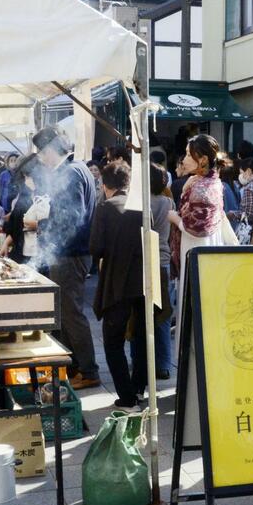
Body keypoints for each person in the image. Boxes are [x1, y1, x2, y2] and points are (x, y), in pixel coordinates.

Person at [33, 125, 98, 390]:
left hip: (71, 254)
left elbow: (73, 216)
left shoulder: (71, 172)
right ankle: (72, 367)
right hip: (73, 253)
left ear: (50, 150)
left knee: (70, 313)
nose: (41, 158)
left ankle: (89, 370)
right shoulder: (77, 167)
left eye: (41, 153)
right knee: (65, 311)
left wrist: (45, 226)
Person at [89, 164, 147, 411]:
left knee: (112, 342)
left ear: (104, 184)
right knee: (143, 338)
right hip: (144, 281)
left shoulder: (104, 208)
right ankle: (139, 389)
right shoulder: (141, 207)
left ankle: (127, 397)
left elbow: (95, 247)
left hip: (117, 283)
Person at [168, 135, 226, 358]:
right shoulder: (209, 182)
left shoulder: (203, 187)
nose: (183, 159)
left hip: (197, 249)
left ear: (201, 159)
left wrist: (175, 218)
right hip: (202, 249)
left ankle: (194, 363)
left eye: (187, 154)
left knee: (196, 305)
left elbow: (198, 227)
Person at [147, 163, 174, 380]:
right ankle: (164, 364)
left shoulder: (143, 203)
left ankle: (144, 360)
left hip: (146, 261)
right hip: (164, 260)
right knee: (163, 314)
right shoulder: (168, 202)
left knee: (142, 314)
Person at [0, 155, 39, 264]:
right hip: (21, 251)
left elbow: (57, 225)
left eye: (29, 176)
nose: (27, 180)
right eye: (25, 176)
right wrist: (6, 243)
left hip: (40, 255)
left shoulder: (46, 194)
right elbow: (16, 223)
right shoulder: (25, 194)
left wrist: (38, 225)